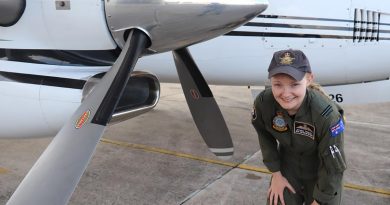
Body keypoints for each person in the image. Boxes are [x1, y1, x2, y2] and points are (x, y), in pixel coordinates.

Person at [251, 49, 347, 205]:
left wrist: (321, 200)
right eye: (277, 84)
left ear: (309, 79)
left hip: (321, 173)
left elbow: (333, 166)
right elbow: (263, 134)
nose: (286, 93)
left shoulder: (326, 115)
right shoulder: (264, 103)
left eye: (294, 84)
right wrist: (276, 175)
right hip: (288, 169)